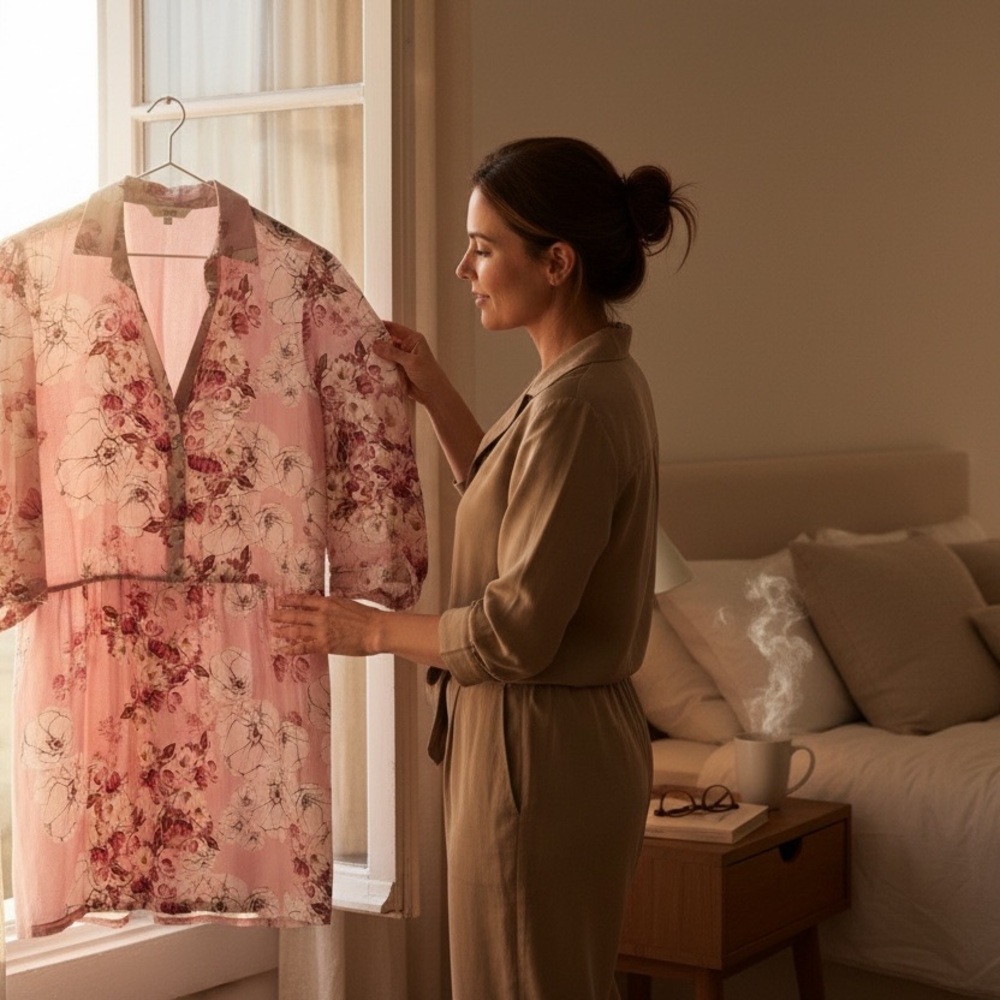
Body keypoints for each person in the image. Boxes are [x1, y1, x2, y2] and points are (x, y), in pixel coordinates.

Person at [271, 136, 696, 1000]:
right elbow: (520, 513)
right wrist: (430, 386)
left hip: (539, 750)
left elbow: (515, 629)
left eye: (484, 246)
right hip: (550, 745)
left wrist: (371, 630)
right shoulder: (586, 378)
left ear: (557, 262)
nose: (466, 267)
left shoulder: (576, 404)